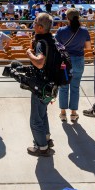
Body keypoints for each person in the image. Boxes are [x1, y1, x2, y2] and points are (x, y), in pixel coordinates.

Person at [26, 12, 56, 156]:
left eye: (34, 22)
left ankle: (41, 148)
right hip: (51, 85)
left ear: (39, 27)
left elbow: (39, 63)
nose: (32, 24)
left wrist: (29, 54)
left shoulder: (41, 43)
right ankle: (46, 139)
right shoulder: (52, 40)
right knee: (43, 114)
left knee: (35, 119)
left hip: (41, 86)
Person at [56, 8, 91, 123]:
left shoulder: (61, 31)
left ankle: (63, 113)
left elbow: (56, 47)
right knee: (75, 88)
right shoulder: (84, 31)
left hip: (65, 62)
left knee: (63, 88)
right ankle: (73, 113)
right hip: (78, 61)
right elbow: (88, 47)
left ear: (67, 18)